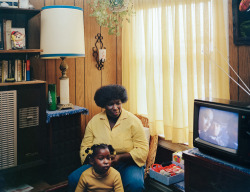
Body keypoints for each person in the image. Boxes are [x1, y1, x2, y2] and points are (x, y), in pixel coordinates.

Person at [68, 84, 149, 192]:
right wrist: (94, 161)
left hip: (128, 163)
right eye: (110, 104)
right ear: (104, 105)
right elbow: (85, 147)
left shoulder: (133, 121)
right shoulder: (94, 122)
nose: (115, 108)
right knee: (73, 178)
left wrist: (120, 157)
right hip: (99, 164)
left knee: (135, 184)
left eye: (118, 103)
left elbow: (143, 149)